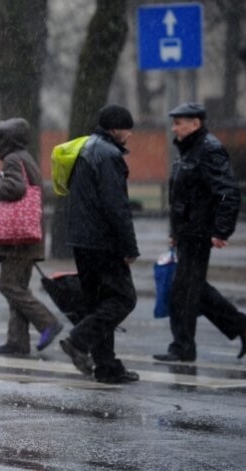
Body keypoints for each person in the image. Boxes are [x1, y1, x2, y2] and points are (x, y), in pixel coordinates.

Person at [153, 102, 246, 362]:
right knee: (193, 290)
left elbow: (227, 192)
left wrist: (221, 230)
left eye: (179, 122)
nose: (174, 127)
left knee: (183, 291)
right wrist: (175, 231)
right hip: (187, 233)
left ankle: (183, 347)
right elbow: (181, 196)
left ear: (195, 123)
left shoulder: (209, 150)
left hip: (199, 233)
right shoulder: (188, 150)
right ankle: (237, 326)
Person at [58, 104, 140, 384]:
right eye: (127, 129)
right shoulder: (109, 155)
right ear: (116, 129)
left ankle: (107, 367)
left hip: (82, 240)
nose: (130, 135)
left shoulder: (85, 148)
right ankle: (78, 340)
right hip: (102, 242)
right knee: (124, 299)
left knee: (99, 304)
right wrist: (129, 247)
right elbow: (116, 205)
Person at [0, 118, 63, 356]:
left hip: (17, 239)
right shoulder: (25, 158)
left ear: (8, 140)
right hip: (28, 236)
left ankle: (47, 322)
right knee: (17, 287)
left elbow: (15, 189)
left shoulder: (12, 159)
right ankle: (17, 341)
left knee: (8, 286)